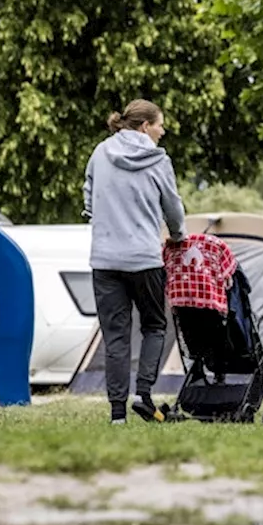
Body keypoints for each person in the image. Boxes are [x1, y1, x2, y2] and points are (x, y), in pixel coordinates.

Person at [82, 99, 186, 424]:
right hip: (144, 258)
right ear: (144, 127)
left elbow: (88, 197)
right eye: (160, 124)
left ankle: (117, 415)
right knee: (154, 325)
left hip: (105, 259)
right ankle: (143, 395)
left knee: (115, 335)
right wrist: (178, 235)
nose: (163, 130)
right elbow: (172, 205)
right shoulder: (159, 160)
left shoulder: (100, 153)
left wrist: (104, 224)